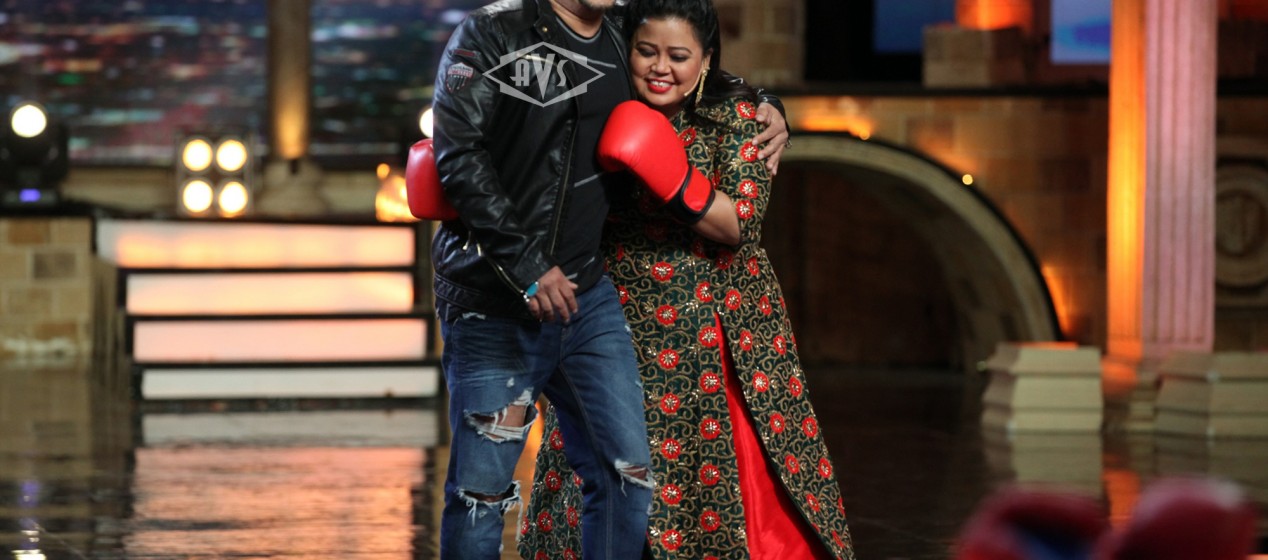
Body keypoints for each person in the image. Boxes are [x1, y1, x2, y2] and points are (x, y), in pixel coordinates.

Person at [426, 0, 790, 558]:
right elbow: (459, 156)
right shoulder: (492, 31)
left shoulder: (623, 31)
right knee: (481, 494)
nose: (658, 61)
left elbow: (695, 65)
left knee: (627, 473)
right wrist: (527, 266)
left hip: (587, 297)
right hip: (496, 300)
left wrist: (768, 103)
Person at [517, 1, 855, 558]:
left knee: (731, 472)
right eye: (646, 52)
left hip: (720, 321)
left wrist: (671, 171)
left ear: (706, 60)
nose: (660, 68)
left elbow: (741, 223)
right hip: (615, 313)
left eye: (678, 56)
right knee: (606, 460)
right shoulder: (599, 103)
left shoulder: (736, 116)